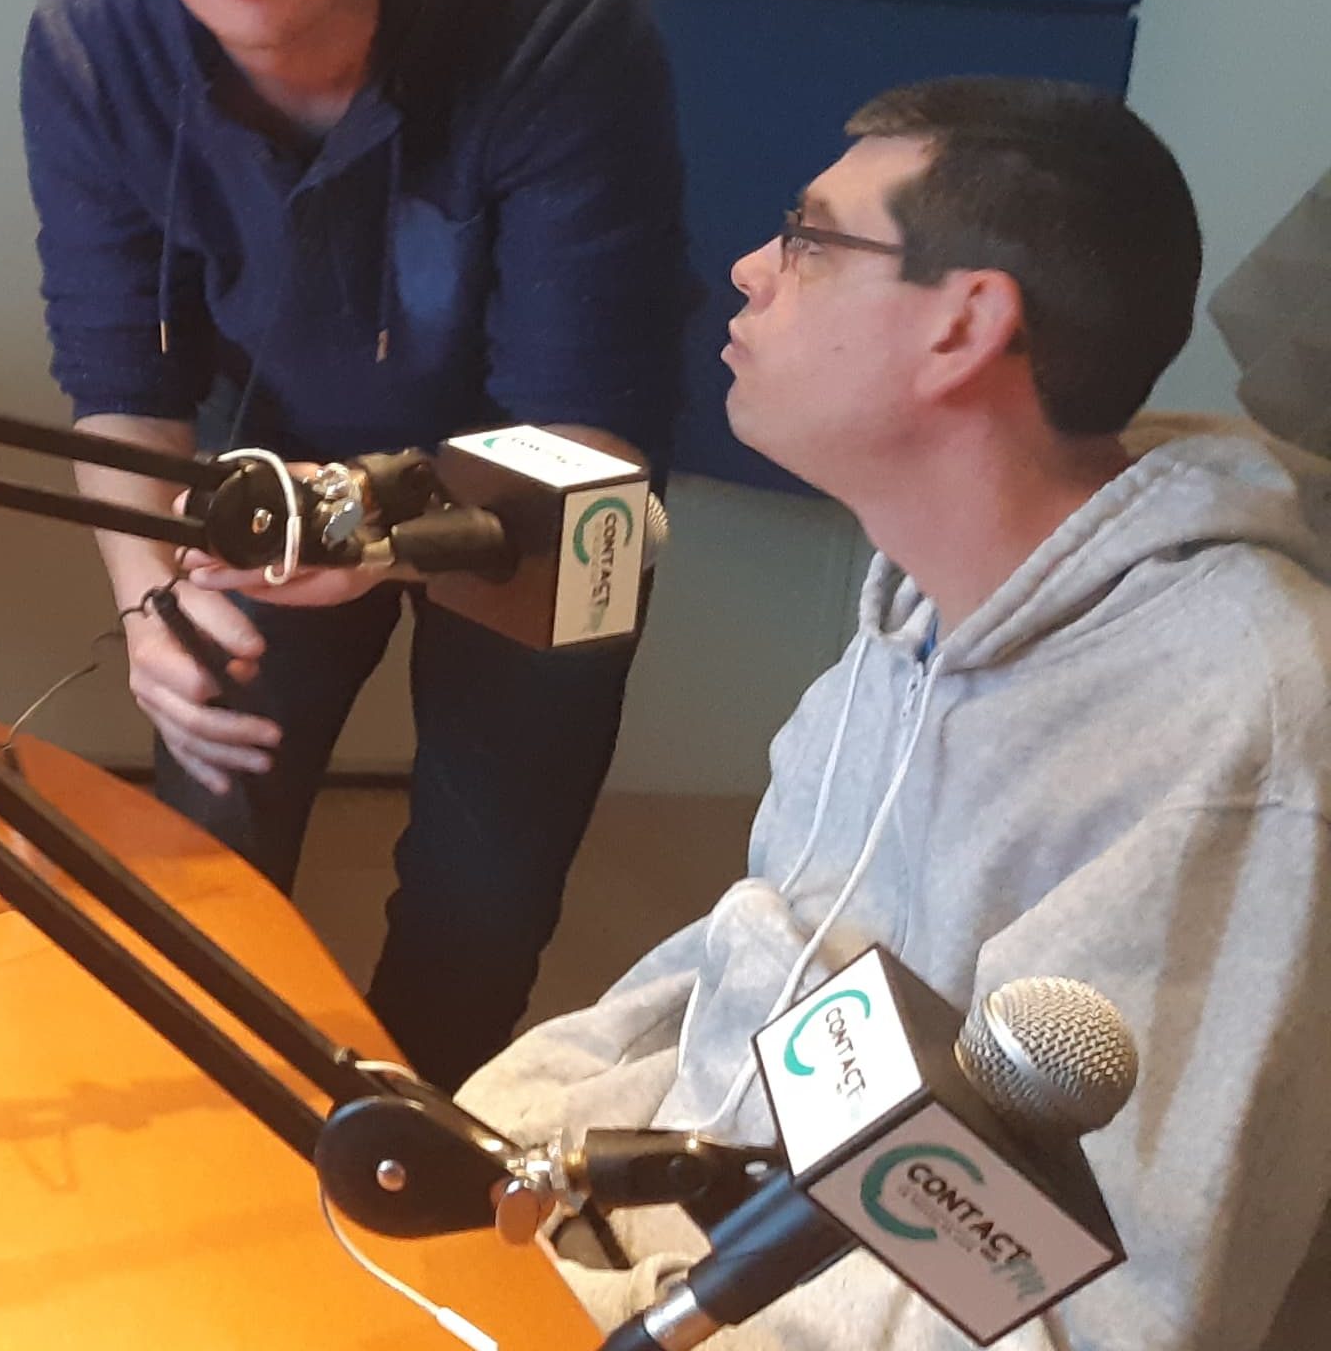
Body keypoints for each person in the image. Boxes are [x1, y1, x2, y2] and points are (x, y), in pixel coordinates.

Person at [463, 78, 1331, 1348]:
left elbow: (1086, 1304)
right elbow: (751, 966)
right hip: (670, 1265)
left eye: (809, 240)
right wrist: (497, 1141)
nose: (751, 269)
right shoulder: (919, 613)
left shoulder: (1239, 729)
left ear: (965, 324)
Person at [22, 0, 688, 1086]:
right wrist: (147, 599)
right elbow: (118, 380)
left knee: (482, 890)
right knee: (205, 839)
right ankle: (207, 1128)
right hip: (277, 456)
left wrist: (385, 534)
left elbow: (589, 422)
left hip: (547, 481)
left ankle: (406, 1164)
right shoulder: (93, 41)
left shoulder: (556, 0)